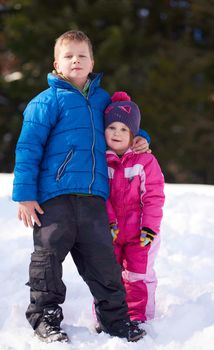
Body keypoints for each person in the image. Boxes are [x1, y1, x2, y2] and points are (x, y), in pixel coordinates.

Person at [12, 30, 149, 343]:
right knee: (47, 260)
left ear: (92, 63)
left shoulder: (104, 101)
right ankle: (45, 318)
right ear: (56, 64)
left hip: (93, 200)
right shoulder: (45, 102)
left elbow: (126, 125)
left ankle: (115, 320)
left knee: (104, 263)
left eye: (82, 55)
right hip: (54, 198)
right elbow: (28, 147)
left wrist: (142, 139)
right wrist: (25, 195)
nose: (75, 60)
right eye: (68, 55)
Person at [104, 91, 165, 323]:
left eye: (124, 129)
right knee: (109, 276)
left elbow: (154, 196)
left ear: (134, 135)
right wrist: (108, 222)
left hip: (141, 233)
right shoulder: (101, 161)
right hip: (111, 232)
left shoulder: (145, 161)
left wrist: (150, 227)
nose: (117, 133)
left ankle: (138, 318)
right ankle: (108, 318)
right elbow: (100, 196)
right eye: (112, 128)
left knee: (137, 275)